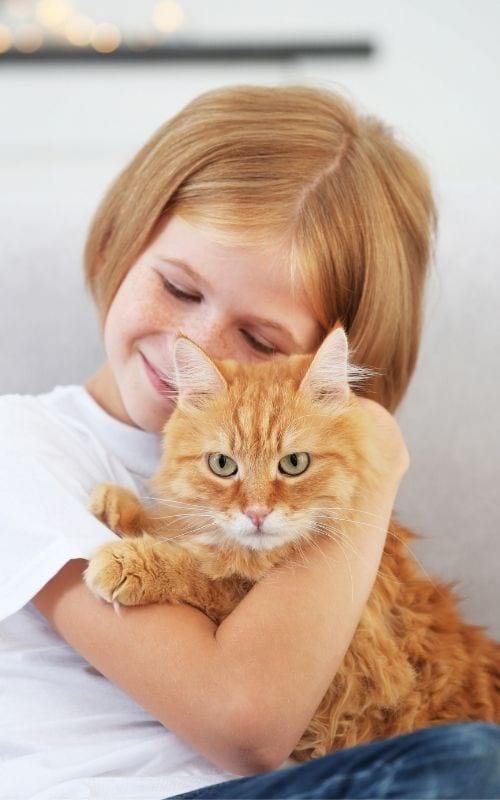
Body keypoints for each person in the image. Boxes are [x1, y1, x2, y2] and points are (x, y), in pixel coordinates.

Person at [0, 84, 498, 800]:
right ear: (118, 243)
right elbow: (244, 722)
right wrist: (380, 454)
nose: (194, 345)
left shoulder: (317, 477)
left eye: (260, 340)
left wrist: (359, 447)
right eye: (179, 289)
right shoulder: (21, 450)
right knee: (476, 765)